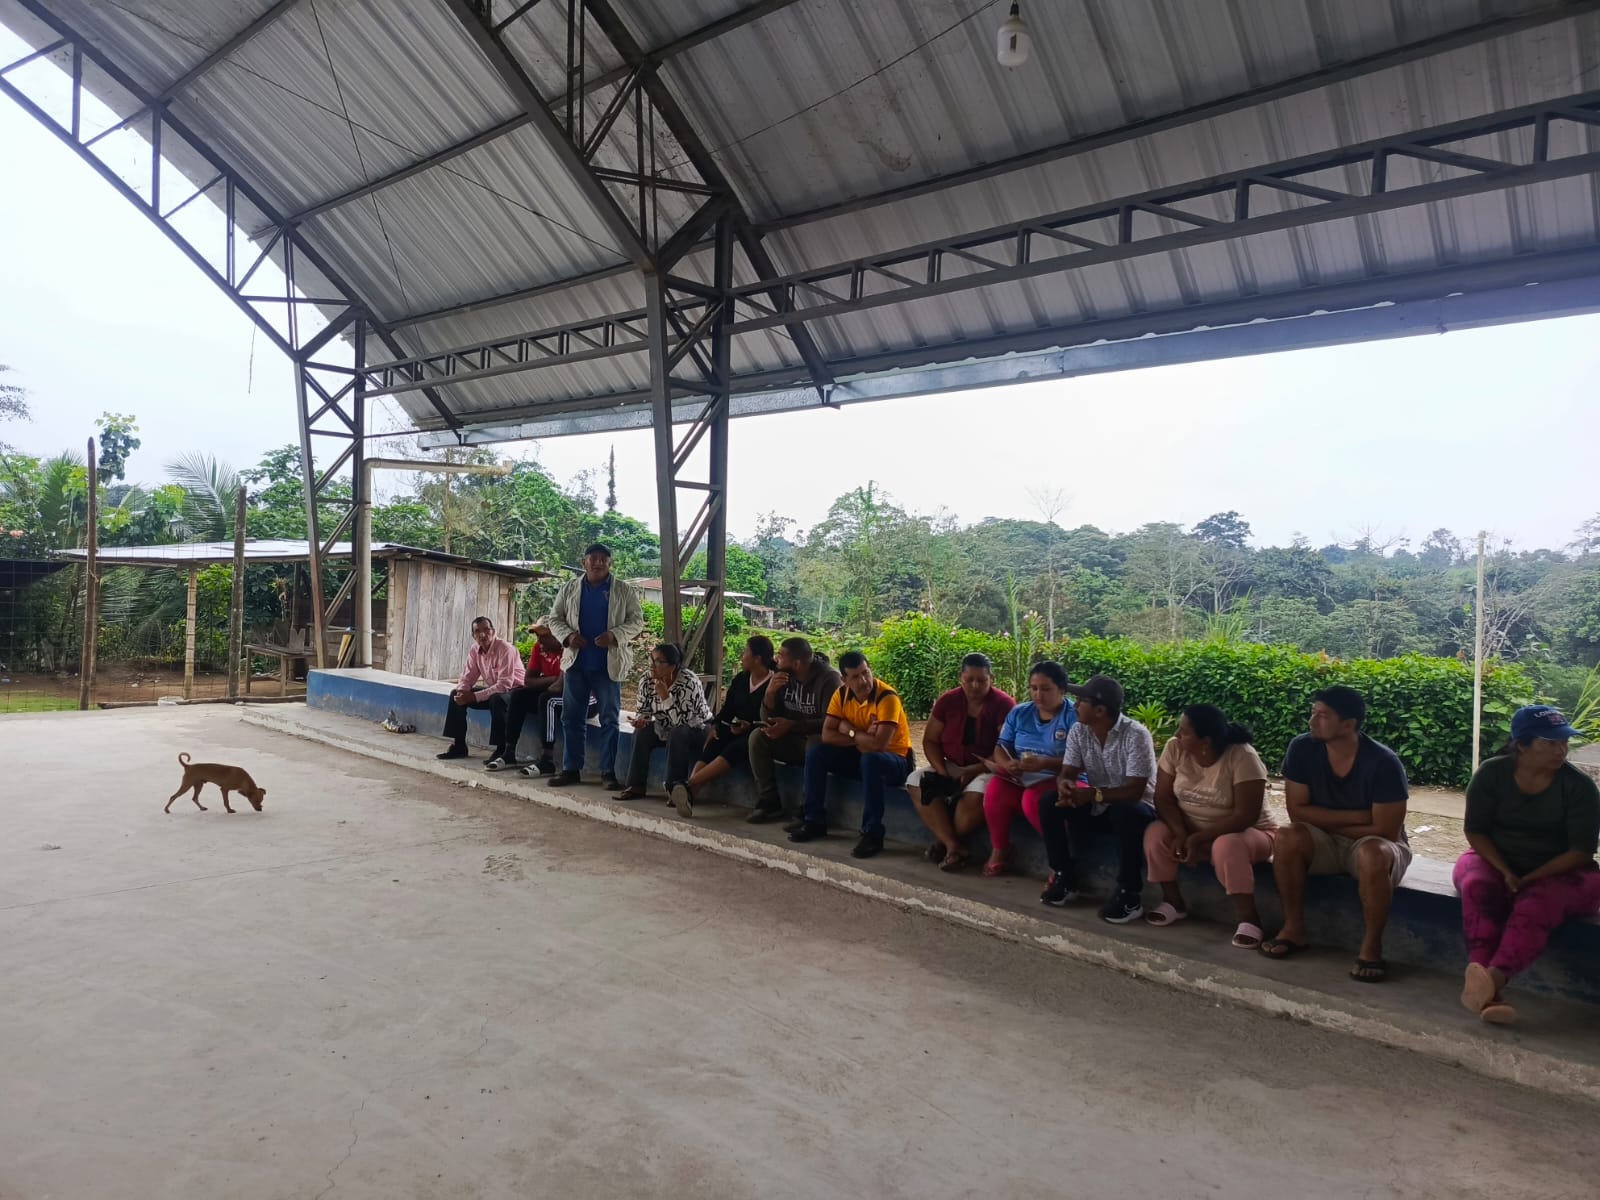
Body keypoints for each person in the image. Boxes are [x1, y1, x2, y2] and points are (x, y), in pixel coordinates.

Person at [1455, 705, 1600, 1024]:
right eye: (1550, 743)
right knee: (1477, 886)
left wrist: (1529, 878)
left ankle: (1492, 980)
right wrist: (1506, 872)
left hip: (1565, 872)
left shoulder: (1579, 787)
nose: (1561, 750)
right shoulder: (1491, 774)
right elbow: (1475, 831)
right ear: (1522, 745)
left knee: (1536, 903)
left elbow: (1581, 851)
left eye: (1564, 742)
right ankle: (1484, 984)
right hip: (1498, 861)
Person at [1259, 686, 1410, 983]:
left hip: (1376, 844)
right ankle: (1293, 929)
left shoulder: (1383, 762)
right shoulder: (1302, 748)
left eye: (1323, 715)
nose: (1312, 721)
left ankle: (1372, 947)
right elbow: (1297, 812)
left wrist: (1325, 820)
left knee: (1373, 853)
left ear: (1348, 725)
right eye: (1313, 712)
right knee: (1287, 836)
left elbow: (1386, 830)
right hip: (1328, 840)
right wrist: (1360, 816)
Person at [1143, 704, 1276, 947]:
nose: (1177, 735)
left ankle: (1249, 919)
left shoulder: (1243, 756)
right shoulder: (1175, 748)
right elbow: (1162, 798)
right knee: (1155, 834)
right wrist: (1181, 833)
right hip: (1190, 828)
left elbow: (1245, 815)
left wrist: (1198, 839)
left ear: (1205, 741)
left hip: (1248, 833)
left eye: (1184, 731)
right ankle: (1173, 902)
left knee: (1227, 846)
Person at [1041, 675, 1158, 923]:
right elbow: (1068, 771)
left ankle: (1130, 894)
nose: (1075, 705)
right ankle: (1064, 875)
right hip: (1099, 806)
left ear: (1100, 710)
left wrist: (1093, 794)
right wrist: (1065, 786)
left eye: (1081, 701)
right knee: (1049, 802)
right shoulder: (1079, 730)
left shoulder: (1136, 735)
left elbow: (1135, 791)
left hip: (1138, 811)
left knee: (1126, 811)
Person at [788, 651, 913, 859]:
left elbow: (879, 745)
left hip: (896, 762)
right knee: (817, 752)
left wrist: (850, 730)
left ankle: (872, 834)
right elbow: (827, 735)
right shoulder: (841, 695)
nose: (863, 681)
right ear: (845, 680)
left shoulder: (887, 697)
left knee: (871, 760)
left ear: (870, 669)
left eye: (865, 673)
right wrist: (862, 736)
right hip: (862, 755)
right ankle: (813, 820)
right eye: (855, 677)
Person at [544, 544, 645, 789]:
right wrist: (568, 636)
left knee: (609, 719)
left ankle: (608, 773)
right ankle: (571, 769)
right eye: (594, 559)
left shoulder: (623, 590)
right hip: (576, 664)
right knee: (571, 718)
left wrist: (614, 635)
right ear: (584, 563)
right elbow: (554, 618)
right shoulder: (569, 588)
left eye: (603, 559)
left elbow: (637, 622)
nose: (598, 563)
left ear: (610, 564)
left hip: (608, 666)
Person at [905, 653, 1014, 872]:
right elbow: (930, 740)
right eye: (969, 680)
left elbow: (1006, 748)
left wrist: (976, 769)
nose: (975, 685)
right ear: (960, 679)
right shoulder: (948, 701)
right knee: (915, 780)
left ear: (991, 679)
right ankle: (954, 846)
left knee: (978, 796)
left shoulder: (1004, 704)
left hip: (988, 767)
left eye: (982, 680)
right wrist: (941, 770)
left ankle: (943, 843)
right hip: (952, 764)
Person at [978, 661, 1074, 877]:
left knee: (1034, 800)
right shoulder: (1020, 712)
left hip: (1064, 778)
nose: (1038, 694)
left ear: (1062, 689)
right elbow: (1001, 747)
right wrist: (1007, 764)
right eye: (1034, 688)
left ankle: (1060, 861)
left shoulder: (1073, 716)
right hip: (1024, 776)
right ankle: (1001, 849)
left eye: (1046, 689)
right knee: (995, 790)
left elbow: (1083, 759)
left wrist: (1045, 763)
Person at [670, 635, 777, 818]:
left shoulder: (774, 683)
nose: (741, 656)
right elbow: (727, 710)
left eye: (745, 652)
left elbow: (771, 717)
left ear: (757, 659)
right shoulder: (741, 679)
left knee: (735, 748)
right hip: (737, 728)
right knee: (716, 739)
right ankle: (691, 794)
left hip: (758, 734)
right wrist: (716, 725)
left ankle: (688, 785)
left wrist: (749, 725)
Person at [745, 637, 842, 824]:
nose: (776, 660)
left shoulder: (829, 679)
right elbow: (767, 719)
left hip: (820, 745)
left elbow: (830, 723)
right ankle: (769, 801)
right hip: (793, 739)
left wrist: (792, 725)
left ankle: (808, 808)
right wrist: (769, 693)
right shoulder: (783, 676)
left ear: (796, 664)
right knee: (757, 737)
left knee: (814, 743)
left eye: (781, 656)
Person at [618, 643, 712, 802]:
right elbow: (644, 710)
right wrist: (641, 720)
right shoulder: (647, 679)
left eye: (658, 662)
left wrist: (665, 697)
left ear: (672, 666)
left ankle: (675, 790)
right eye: (652, 660)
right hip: (666, 726)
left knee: (678, 733)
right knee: (642, 732)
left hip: (696, 728)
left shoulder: (688, 681)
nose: (652, 665)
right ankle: (636, 786)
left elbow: (682, 721)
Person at [437, 616, 523, 762]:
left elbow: (504, 685)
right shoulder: (475, 650)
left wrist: (474, 697)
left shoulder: (505, 649)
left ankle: (502, 750)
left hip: (515, 693)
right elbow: (468, 677)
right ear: (473, 635)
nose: (483, 635)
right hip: (496, 690)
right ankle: (459, 746)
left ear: (493, 631)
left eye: (486, 630)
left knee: (497, 699)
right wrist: (462, 692)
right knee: (455, 694)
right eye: (477, 631)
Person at [486, 622, 565, 773]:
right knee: (519, 695)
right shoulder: (539, 648)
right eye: (537, 636)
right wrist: (553, 679)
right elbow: (528, 681)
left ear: (556, 636)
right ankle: (509, 752)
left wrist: (547, 682)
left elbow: (560, 687)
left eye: (543, 636)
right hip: (552, 692)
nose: (539, 641)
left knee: (546, 700)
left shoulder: (567, 651)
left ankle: (547, 759)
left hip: (578, 699)